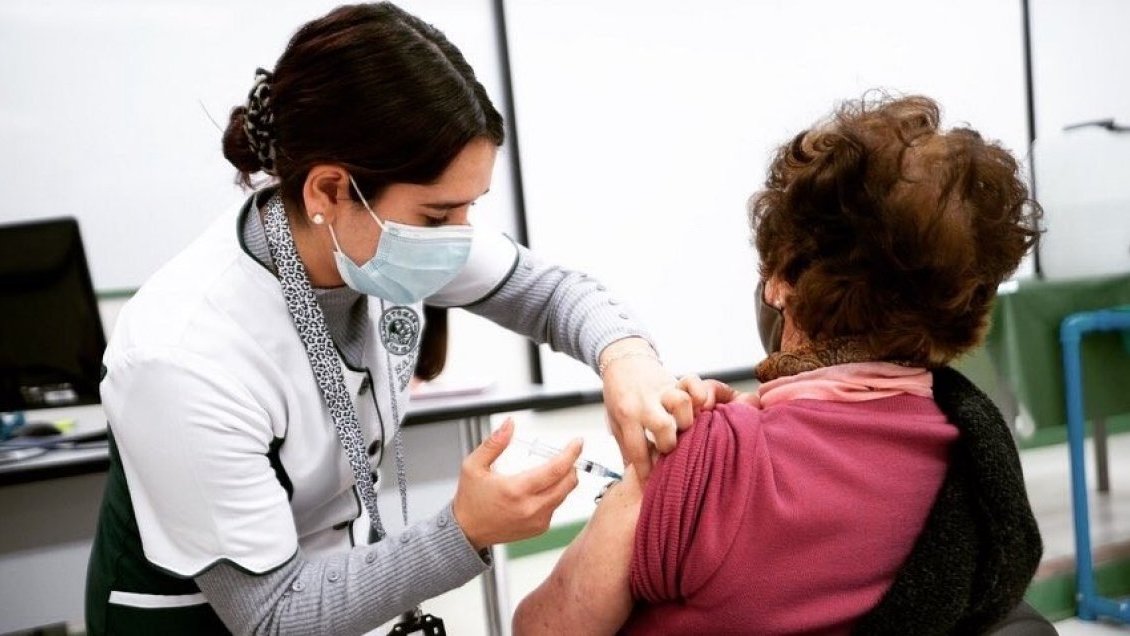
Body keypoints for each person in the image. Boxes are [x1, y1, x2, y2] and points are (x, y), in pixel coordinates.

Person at [84, 4, 706, 634]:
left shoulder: (372, 239)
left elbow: (551, 294)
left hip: (330, 586)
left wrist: (627, 359)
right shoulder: (183, 356)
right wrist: (463, 531)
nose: (460, 240)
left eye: (471, 208)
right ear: (327, 192)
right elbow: (274, 615)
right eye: (438, 217)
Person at [513, 94, 1045, 634]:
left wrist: (701, 452)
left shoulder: (702, 465)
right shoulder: (970, 461)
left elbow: (540, 627)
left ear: (782, 278)